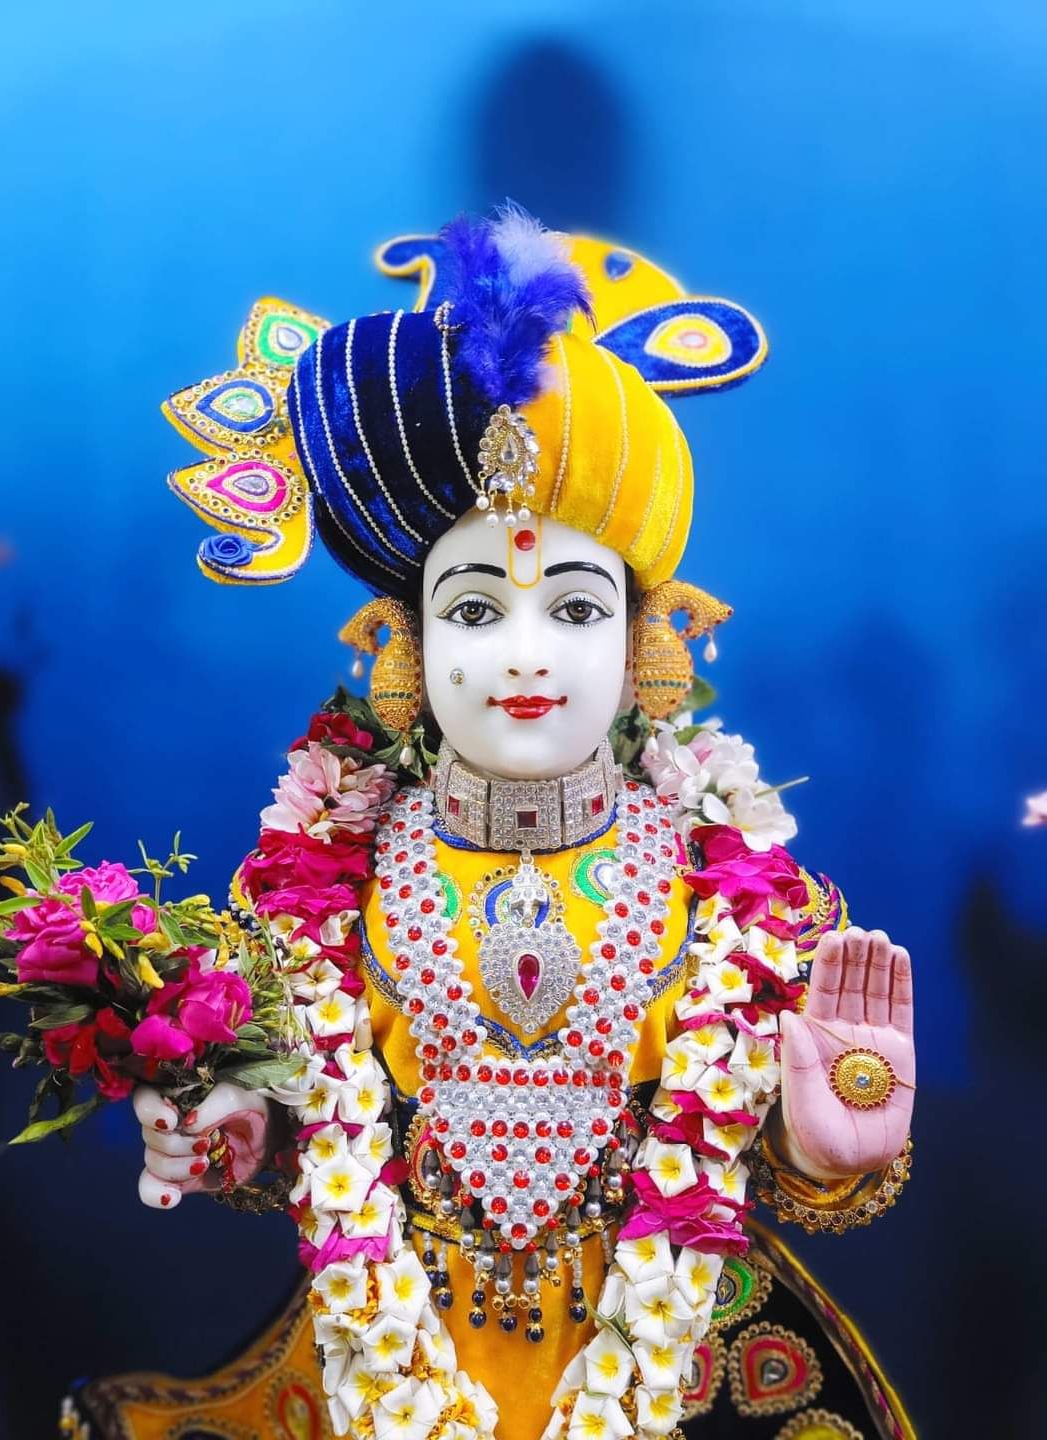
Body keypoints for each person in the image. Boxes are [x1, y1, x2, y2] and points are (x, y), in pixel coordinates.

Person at [132, 209, 916, 1440]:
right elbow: (309, 1152)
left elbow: (790, 1183)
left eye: (578, 609)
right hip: (389, 1375)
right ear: (408, 639)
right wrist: (233, 1137)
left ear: (648, 638)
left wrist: (830, 1151)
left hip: (679, 1379)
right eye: (478, 610)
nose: (528, 655)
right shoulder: (316, 890)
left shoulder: (746, 901)